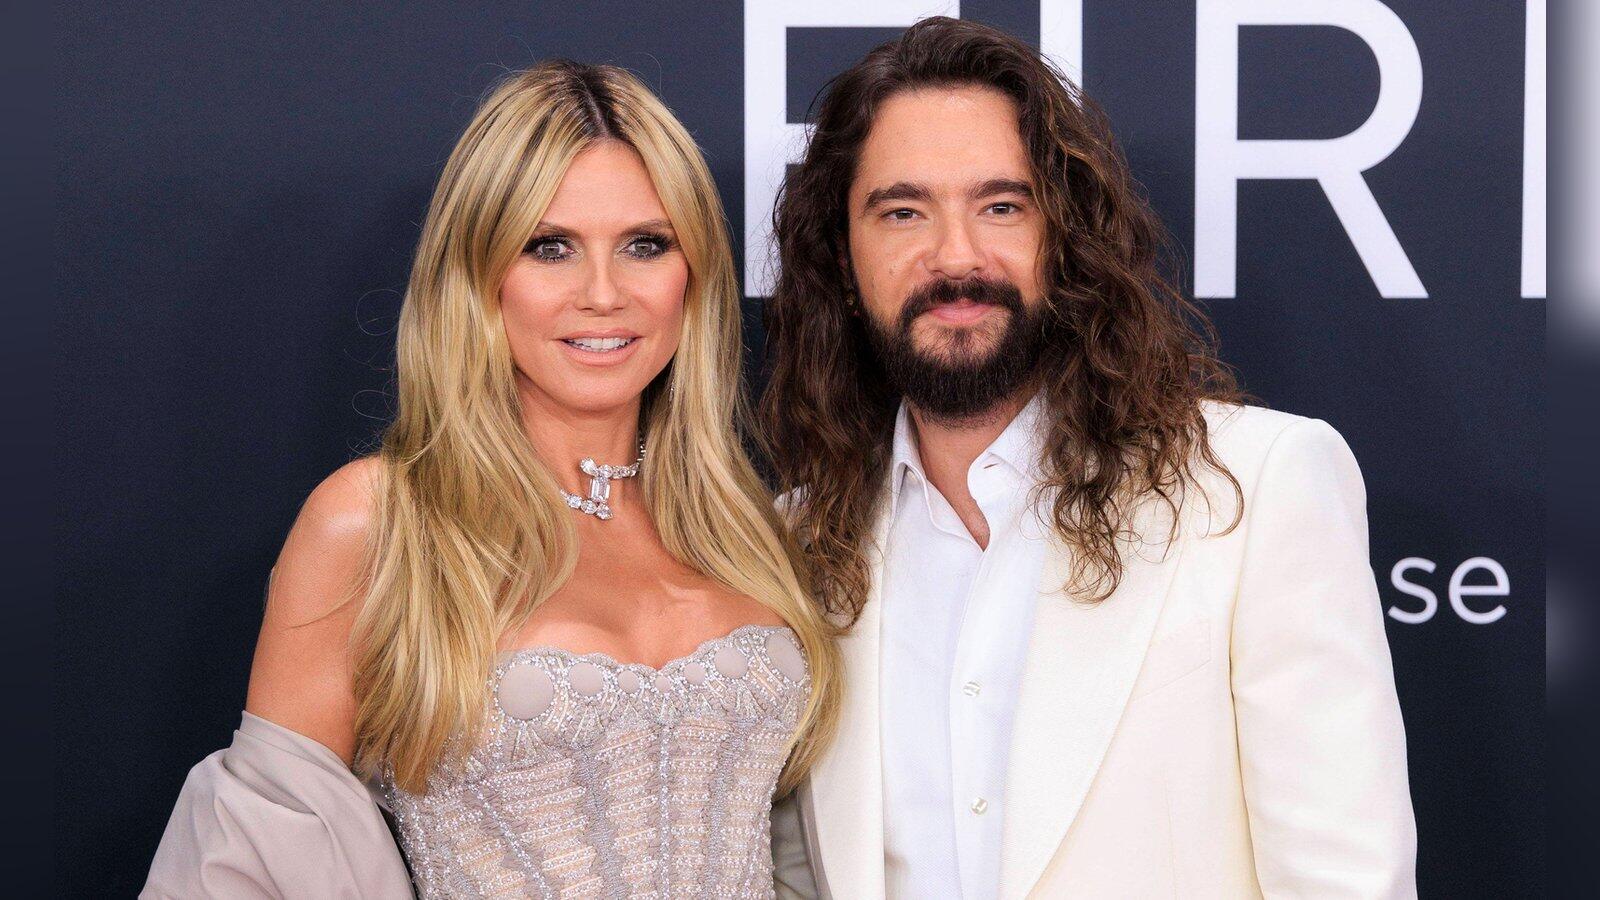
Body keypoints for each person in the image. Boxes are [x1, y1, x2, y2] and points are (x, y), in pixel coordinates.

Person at [143, 60, 840, 898]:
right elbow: (261, 863)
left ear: (694, 275)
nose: (604, 293)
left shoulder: (754, 531)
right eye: (550, 247)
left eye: (645, 245)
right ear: (478, 272)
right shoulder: (380, 523)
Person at [763, 17, 1416, 900]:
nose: (956, 256)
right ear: (843, 260)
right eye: (903, 212)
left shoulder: (1255, 489)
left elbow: (1346, 880)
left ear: (1064, 239)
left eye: (1002, 206)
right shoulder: (794, 547)